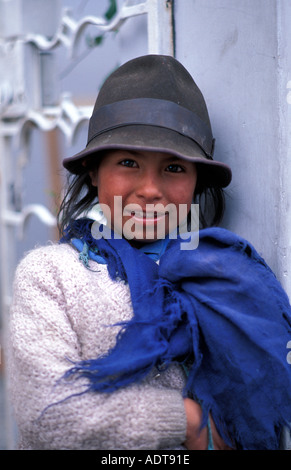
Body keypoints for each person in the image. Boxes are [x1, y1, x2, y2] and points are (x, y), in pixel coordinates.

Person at [7, 55, 291, 451]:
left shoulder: (225, 274)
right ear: (93, 170)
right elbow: (50, 414)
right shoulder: (51, 275)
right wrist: (191, 423)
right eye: (128, 163)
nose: (150, 189)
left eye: (174, 168)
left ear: (196, 182)